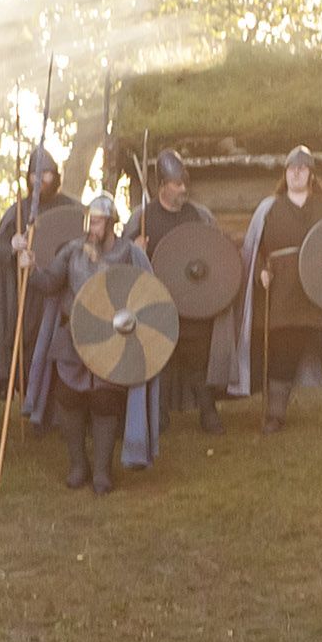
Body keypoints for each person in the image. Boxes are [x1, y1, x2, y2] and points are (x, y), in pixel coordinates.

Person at [27, 191, 162, 494]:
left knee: (105, 400)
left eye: (98, 223)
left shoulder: (129, 252)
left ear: (112, 224)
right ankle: (78, 465)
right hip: (73, 335)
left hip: (113, 338)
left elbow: (146, 294)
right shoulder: (72, 251)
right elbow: (49, 283)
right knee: (68, 396)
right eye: (90, 221)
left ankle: (102, 471)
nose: (91, 228)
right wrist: (30, 267)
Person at [229, 146, 322, 436]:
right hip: (284, 296)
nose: (296, 173)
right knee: (282, 358)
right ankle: (275, 415)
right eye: (291, 169)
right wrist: (261, 272)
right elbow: (254, 251)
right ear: (285, 173)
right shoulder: (269, 208)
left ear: (311, 174)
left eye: (302, 169)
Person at [131, 151, 231, 436]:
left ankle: (208, 413)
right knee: (159, 361)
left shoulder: (199, 215)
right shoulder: (143, 218)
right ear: (163, 185)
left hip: (192, 301)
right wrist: (135, 250)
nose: (183, 189)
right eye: (177, 184)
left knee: (198, 360)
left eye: (185, 183)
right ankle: (158, 416)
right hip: (157, 303)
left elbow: (214, 250)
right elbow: (122, 258)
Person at [0, 143, 69, 401]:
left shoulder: (70, 208)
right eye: (35, 174)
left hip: (59, 295)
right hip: (25, 296)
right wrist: (12, 246)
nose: (40, 180)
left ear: (55, 176)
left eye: (46, 174)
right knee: (28, 348)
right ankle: (28, 399)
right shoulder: (18, 211)